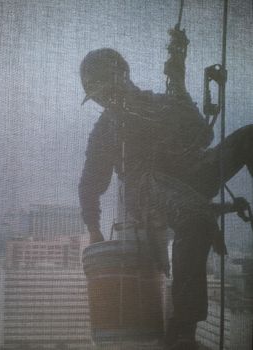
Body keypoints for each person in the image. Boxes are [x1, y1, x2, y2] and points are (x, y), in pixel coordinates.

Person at [78, 48, 253, 350]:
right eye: (95, 95)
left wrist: (180, 87)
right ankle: (182, 329)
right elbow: (91, 183)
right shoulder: (108, 127)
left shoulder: (159, 104)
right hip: (148, 187)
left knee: (250, 137)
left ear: (121, 77)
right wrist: (93, 227)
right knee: (195, 221)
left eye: (101, 90)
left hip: (190, 174)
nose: (100, 100)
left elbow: (201, 135)